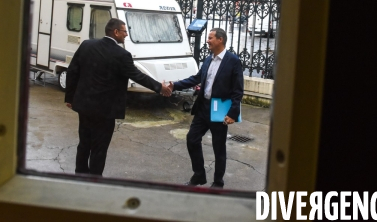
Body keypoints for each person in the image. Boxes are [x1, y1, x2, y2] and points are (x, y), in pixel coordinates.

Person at [65, 18, 172, 176]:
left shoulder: (87, 45)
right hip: (105, 111)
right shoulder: (122, 55)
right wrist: (160, 87)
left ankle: (80, 173)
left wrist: (69, 97)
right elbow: (137, 76)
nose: (126, 35)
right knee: (99, 147)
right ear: (115, 32)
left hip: (85, 106)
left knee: (84, 142)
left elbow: (72, 71)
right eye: (124, 31)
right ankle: (94, 178)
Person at [170, 27, 244, 188]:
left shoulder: (233, 61)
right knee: (192, 139)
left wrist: (233, 113)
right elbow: (196, 78)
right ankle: (199, 176)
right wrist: (174, 85)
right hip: (203, 107)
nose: (207, 40)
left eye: (210, 38)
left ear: (220, 40)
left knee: (219, 147)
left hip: (220, 111)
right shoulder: (208, 59)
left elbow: (238, 91)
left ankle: (218, 182)